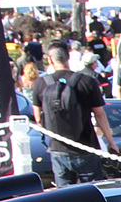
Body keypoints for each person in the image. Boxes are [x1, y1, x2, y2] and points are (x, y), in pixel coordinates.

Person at [36, 39, 115, 185]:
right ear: (68, 57)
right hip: (86, 146)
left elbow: (38, 117)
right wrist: (111, 142)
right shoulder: (87, 81)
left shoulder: (41, 83)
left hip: (57, 148)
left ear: (49, 60)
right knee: (93, 192)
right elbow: (100, 114)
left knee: (64, 198)